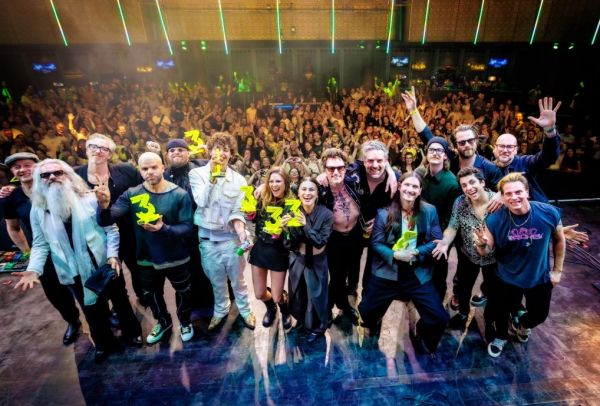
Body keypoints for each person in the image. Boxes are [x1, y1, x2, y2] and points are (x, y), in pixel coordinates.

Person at [13, 159, 126, 363]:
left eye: (57, 172)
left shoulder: (90, 198)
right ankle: (103, 343)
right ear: (39, 180)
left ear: (69, 175)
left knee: (105, 302)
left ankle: (118, 335)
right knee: (88, 308)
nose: (52, 177)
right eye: (45, 175)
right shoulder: (38, 209)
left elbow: (110, 229)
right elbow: (40, 244)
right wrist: (33, 269)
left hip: (99, 263)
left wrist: (112, 255)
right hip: (70, 269)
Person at [96, 152, 195, 345]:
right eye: (145, 169)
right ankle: (163, 322)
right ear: (139, 171)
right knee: (152, 295)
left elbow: (187, 228)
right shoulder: (132, 194)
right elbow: (106, 220)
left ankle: (184, 322)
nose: (150, 172)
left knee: (183, 292)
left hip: (176, 257)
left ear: (163, 167)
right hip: (146, 258)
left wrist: (164, 229)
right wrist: (104, 205)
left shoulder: (179, 195)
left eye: (154, 167)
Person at [474, 173, 565, 358]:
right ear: (502, 197)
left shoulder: (549, 212)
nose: (514, 197)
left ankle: (522, 325)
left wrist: (557, 271)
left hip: (539, 277)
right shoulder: (494, 219)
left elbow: (559, 239)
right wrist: (481, 244)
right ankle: (501, 337)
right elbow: (485, 251)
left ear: (527, 192)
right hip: (506, 278)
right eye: (508, 194)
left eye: (518, 192)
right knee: (501, 313)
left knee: (539, 315)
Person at [358, 172, 449, 354]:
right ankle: (373, 324)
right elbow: (376, 243)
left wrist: (417, 252)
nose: (410, 189)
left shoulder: (429, 211)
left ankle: (421, 333)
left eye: (415, 186)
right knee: (366, 311)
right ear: (399, 187)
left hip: (416, 272)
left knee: (439, 317)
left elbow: (436, 240)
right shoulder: (384, 213)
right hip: (388, 271)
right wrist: (395, 255)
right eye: (407, 185)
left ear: (420, 191)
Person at [1, 152, 81, 346]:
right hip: (42, 252)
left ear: (38, 167)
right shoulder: (11, 197)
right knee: (56, 293)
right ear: (12, 172)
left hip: (70, 246)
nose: (22, 169)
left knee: (85, 284)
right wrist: (29, 254)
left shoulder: (55, 185)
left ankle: (103, 315)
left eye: (27, 165)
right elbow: (13, 228)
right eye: (17, 167)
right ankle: (72, 321)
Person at [189, 133, 256, 331]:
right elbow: (201, 201)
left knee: (238, 280)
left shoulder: (239, 180)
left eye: (225, 149)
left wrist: (242, 232)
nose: (221, 154)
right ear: (209, 151)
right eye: (216, 149)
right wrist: (212, 178)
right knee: (216, 281)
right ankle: (220, 310)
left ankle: (245, 310)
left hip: (231, 239)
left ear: (231, 154)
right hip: (207, 240)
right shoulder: (197, 174)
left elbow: (237, 211)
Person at [432, 168, 496, 331]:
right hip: (469, 254)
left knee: (493, 290)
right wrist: (445, 242)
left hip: (495, 258)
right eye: (464, 185)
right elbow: (453, 226)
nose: (469, 188)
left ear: (482, 182)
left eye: (472, 182)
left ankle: (490, 320)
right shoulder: (460, 202)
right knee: (463, 288)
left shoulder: (497, 202)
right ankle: (463, 313)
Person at [163, 138, 214, 312]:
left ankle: (214, 301)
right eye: (172, 150)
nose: (176, 152)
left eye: (180, 149)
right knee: (187, 268)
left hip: (202, 227)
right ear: (167, 155)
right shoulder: (163, 175)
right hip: (179, 231)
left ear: (188, 153)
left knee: (207, 265)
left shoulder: (200, 167)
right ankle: (195, 304)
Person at [284, 177, 333, 342]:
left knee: (316, 296)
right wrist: (286, 229)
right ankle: (302, 322)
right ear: (298, 193)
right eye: (303, 189)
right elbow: (289, 243)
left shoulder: (326, 214)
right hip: (297, 259)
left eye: (311, 189)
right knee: (298, 292)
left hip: (317, 261)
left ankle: (318, 327)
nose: (307, 193)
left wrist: (305, 225)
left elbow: (320, 241)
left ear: (317, 194)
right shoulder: (292, 211)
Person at [414, 136, 461, 300]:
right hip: (418, 229)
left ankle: (439, 298)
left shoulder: (452, 183)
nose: (435, 153)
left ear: (445, 155)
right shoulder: (419, 174)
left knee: (438, 268)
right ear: (426, 153)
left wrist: (439, 238)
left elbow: (450, 216)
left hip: (440, 232)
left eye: (439, 150)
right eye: (432, 150)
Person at [249, 167, 295, 329]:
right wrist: (250, 213)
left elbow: (294, 232)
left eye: (278, 181)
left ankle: (285, 309)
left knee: (277, 296)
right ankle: (271, 308)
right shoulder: (262, 197)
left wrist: (286, 229)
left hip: (279, 251)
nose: (274, 185)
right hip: (260, 248)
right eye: (271, 181)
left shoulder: (292, 202)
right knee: (259, 293)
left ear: (286, 183)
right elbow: (253, 219)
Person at [493, 97, 561, 203]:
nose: (505, 150)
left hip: (533, 210)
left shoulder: (524, 162)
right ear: (495, 147)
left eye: (510, 147)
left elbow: (548, 156)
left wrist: (549, 130)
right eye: (501, 146)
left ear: (516, 150)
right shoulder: (488, 168)